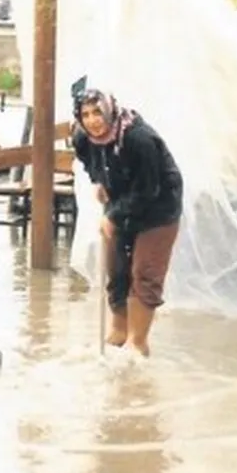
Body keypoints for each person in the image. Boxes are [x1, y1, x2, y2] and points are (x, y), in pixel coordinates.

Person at [73, 89, 184, 357]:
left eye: (97, 112)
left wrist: (114, 216)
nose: (92, 121)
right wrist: (99, 182)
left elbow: (149, 190)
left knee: (145, 273)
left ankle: (138, 342)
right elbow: (91, 163)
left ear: (109, 111)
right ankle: (119, 331)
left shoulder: (139, 139)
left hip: (159, 207)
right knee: (117, 269)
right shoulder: (81, 138)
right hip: (121, 200)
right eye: (85, 114)